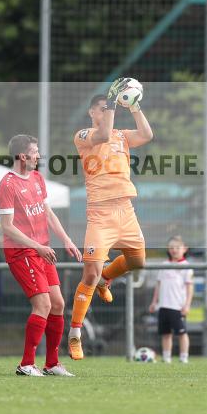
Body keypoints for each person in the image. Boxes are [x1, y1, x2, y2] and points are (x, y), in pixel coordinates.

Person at [68, 80, 153, 360]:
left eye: (109, 108)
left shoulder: (122, 135)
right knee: (88, 274)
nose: (107, 112)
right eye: (102, 108)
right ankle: (75, 334)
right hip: (101, 213)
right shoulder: (84, 135)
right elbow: (103, 135)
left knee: (137, 262)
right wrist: (115, 104)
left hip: (125, 210)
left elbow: (147, 134)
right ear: (93, 112)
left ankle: (107, 278)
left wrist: (135, 106)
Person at [0, 134, 82, 377]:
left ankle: (52, 363)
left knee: (58, 304)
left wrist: (65, 239)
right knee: (42, 304)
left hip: (41, 250)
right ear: (22, 156)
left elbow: (47, 212)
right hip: (22, 252)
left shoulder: (36, 178)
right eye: (34, 152)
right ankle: (25, 364)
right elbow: (7, 226)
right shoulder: (8, 185)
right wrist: (37, 246)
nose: (38, 156)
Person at [149, 235, 193, 364]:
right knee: (166, 333)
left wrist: (187, 305)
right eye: (171, 247)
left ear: (184, 249)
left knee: (181, 333)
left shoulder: (186, 266)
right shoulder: (164, 265)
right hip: (163, 306)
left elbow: (189, 288)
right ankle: (166, 357)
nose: (174, 250)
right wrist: (154, 302)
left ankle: (184, 357)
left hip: (178, 306)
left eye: (177, 247)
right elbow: (158, 285)